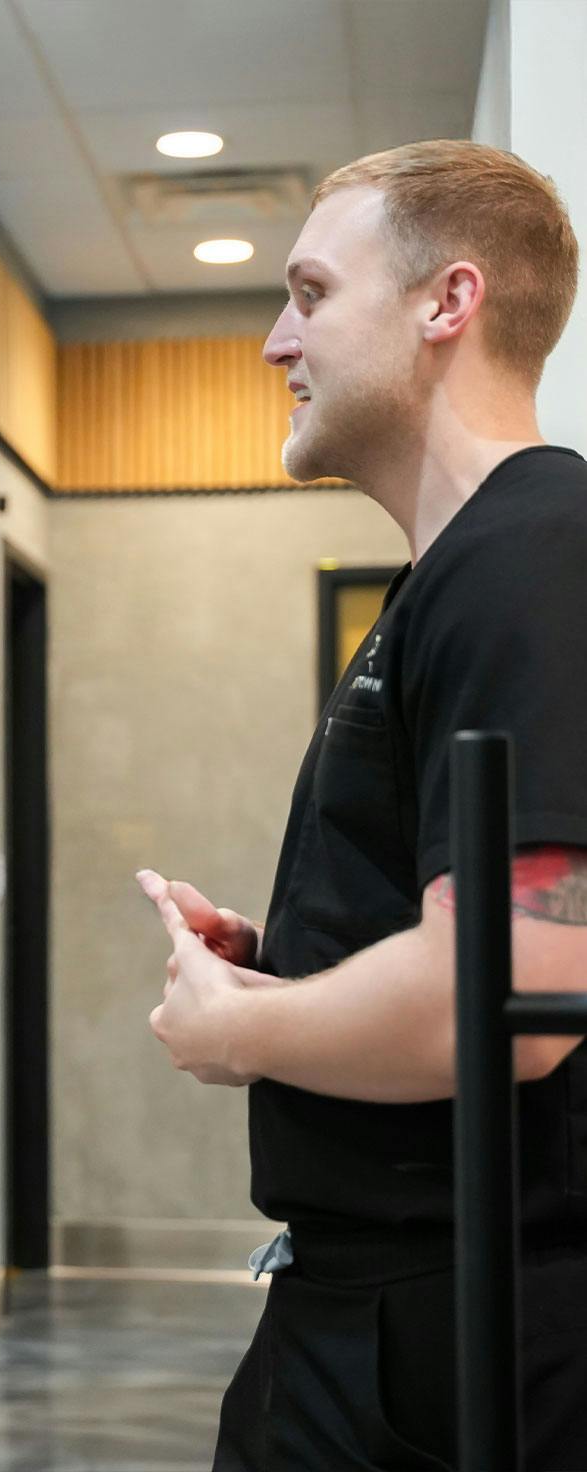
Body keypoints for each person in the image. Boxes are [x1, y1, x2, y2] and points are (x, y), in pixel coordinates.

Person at [137, 139, 587, 1471]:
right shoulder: (460, 573)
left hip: (464, 1330)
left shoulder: (530, 555)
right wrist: (293, 966)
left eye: (310, 294)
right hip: (382, 1310)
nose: (274, 342)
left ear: (446, 302)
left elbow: (516, 987)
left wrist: (240, 1030)